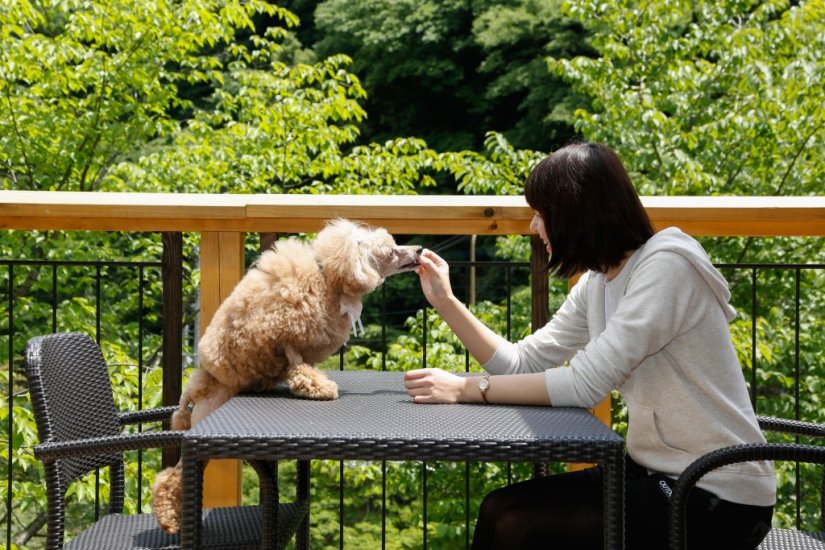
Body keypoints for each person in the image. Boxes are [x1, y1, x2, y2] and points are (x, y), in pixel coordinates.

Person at [403, 141, 775, 549]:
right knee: (498, 508)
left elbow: (584, 384)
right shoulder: (598, 283)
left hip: (717, 491)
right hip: (651, 470)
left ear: (575, 213)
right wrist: (446, 302)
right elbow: (521, 362)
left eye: (542, 215)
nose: (534, 227)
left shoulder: (667, 266)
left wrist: (465, 388)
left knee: (520, 527)